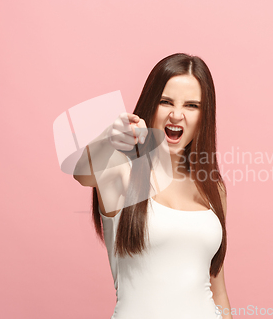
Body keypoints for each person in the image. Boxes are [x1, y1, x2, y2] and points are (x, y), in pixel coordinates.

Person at [73, 53, 232, 319]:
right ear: (150, 105)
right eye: (165, 101)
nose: (176, 114)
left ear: (205, 116)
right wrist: (110, 138)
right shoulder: (123, 170)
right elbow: (82, 174)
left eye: (191, 105)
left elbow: (219, 290)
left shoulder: (213, 188)